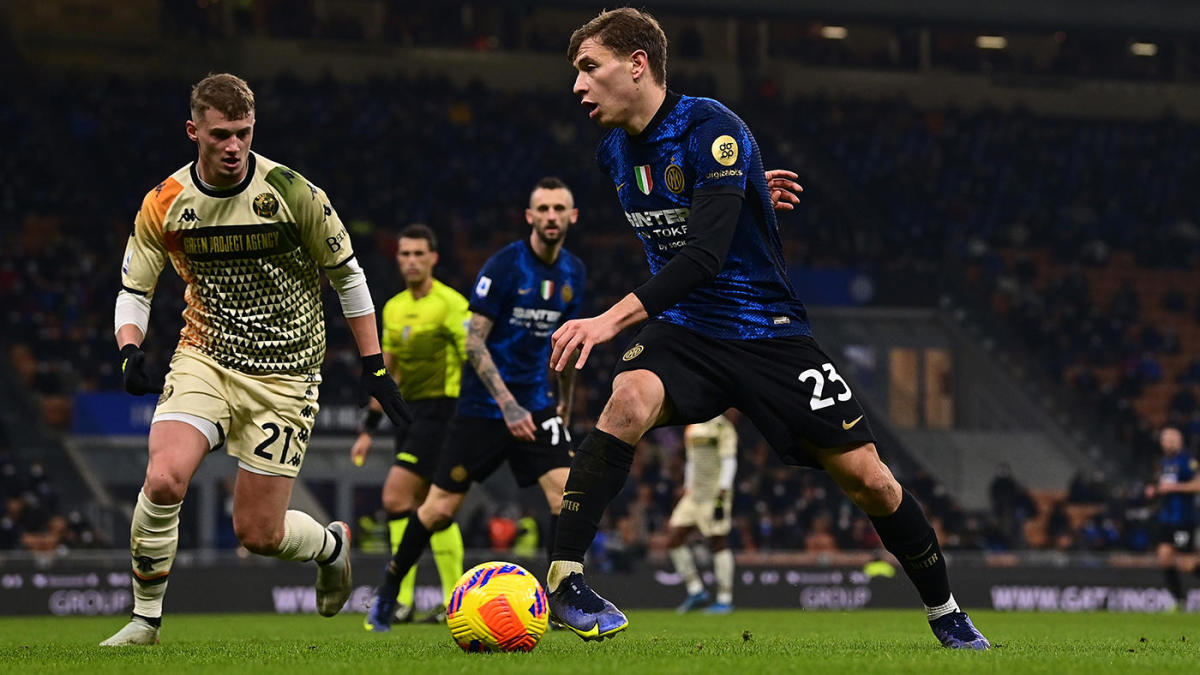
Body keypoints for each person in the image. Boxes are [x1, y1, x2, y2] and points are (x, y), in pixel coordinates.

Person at [545, 8, 990, 649]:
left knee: (870, 479)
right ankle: (566, 581)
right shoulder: (612, 150)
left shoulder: (712, 129)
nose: (579, 86)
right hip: (686, 330)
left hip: (767, 332)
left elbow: (704, 255)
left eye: (590, 67)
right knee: (627, 399)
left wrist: (608, 320)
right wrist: (751, 190)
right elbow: (694, 228)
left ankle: (947, 611)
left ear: (636, 64)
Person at [102, 73, 410, 646]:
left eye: (243, 133)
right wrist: (129, 348)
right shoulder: (166, 203)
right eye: (220, 134)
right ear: (194, 131)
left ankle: (332, 546)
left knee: (258, 533)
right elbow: (134, 289)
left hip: (287, 376)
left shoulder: (293, 194)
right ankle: (145, 619)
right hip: (206, 358)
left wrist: (374, 370)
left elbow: (348, 276)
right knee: (165, 478)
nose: (233, 146)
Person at [364, 177, 586, 631]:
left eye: (558, 209)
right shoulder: (505, 266)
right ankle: (389, 590)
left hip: (538, 405)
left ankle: (561, 599)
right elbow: (473, 342)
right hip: (485, 409)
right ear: (529, 216)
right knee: (438, 508)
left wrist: (564, 403)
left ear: (572, 216)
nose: (550, 216)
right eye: (541, 208)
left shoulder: (573, 273)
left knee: (566, 496)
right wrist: (507, 405)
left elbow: (566, 345)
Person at [350, 224, 468, 625]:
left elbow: (472, 356)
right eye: (406, 254)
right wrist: (369, 428)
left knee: (395, 498)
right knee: (432, 507)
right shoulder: (394, 307)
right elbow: (389, 370)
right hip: (406, 413)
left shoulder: (451, 304)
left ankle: (400, 597)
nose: (412, 261)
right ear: (397, 258)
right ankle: (449, 602)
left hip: (443, 411)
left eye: (420, 253)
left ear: (433, 258)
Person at [667, 413, 738, 614]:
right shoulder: (692, 426)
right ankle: (696, 590)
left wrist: (724, 488)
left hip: (715, 493)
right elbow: (691, 461)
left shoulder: (722, 427)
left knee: (718, 541)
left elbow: (729, 460)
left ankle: (725, 598)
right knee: (673, 538)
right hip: (694, 495)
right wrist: (687, 486)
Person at [1143, 426, 1199, 609]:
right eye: (1164, 440)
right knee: (1164, 558)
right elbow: (1166, 486)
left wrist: (1173, 488)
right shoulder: (1166, 462)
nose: (1167, 443)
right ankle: (1179, 600)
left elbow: (1197, 485)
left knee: (1186, 563)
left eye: (1170, 439)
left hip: (1184, 519)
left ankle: (1181, 600)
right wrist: (1155, 490)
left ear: (1179, 441)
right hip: (1167, 519)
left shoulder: (1187, 460)